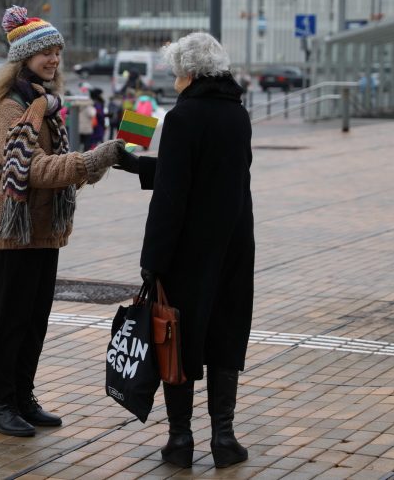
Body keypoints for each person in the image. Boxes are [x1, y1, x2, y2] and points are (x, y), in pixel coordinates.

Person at [0, 5, 125, 437]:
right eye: (45, 52)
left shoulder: (44, 106)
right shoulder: (11, 108)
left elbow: (62, 172)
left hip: (44, 230)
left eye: (57, 52)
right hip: (13, 230)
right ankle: (1, 404)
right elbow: (33, 170)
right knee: (11, 321)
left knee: (35, 319)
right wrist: (87, 161)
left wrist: (97, 162)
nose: (53, 60)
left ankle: (23, 397)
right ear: (23, 58)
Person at [114, 32, 254, 470]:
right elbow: (211, 174)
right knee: (224, 336)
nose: (174, 82)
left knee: (179, 337)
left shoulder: (182, 118)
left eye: (176, 74)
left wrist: (151, 261)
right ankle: (225, 439)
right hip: (234, 244)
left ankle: (180, 441)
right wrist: (139, 165)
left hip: (189, 252)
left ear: (189, 73)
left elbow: (173, 196)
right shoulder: (238, 115)